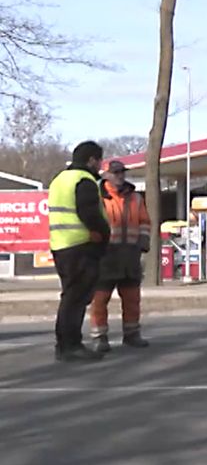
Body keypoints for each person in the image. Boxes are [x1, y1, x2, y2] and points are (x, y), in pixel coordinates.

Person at [48, 141, 110, 363]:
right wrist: (104, 233)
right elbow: (89, 214)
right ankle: (71, 346)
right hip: (80, 246)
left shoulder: (60, 179)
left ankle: (65, 345)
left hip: (61, 245)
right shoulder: (83, 180)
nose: (100, 165)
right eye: (99, 160)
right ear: (92, 160)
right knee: (76, 299)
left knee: (70, 297)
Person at [88, 160, 152, 353]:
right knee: (100, 299)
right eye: (116, 173)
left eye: (122, 172)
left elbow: (144, 222)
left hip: (129, 254)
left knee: (132, 297)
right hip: (105, 255)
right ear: (106, 175)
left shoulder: (135, 198)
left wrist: (143, 241)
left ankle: (132, 334)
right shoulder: (97, 197)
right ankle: (100, 337)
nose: (120, 176)